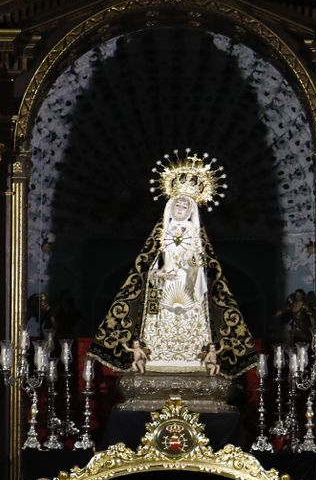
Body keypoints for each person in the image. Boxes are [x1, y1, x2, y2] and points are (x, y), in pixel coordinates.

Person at [89, 156, 258, 377]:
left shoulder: (195, 234)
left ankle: (196, 362)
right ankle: (155, 359)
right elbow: (151, 262)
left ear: (192, 210)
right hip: (166, 285)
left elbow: (201, 263)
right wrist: (157, 273)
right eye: (177, 204)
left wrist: (192, 273)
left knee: (193, 310)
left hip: (189, 284)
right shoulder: (162, 232)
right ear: (170, 206)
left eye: (185, 205)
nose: (180, 208)